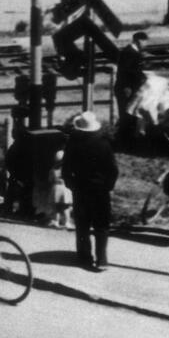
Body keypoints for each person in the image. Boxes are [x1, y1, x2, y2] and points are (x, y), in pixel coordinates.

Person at [62, 111, 119, 271]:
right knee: (102, 224)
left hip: (80, 188)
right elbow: (113, 169)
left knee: (82, 224)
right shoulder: (104, 144)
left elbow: (66, 168)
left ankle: (84, 257)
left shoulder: (73, 143)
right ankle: (102, 259)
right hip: (100, 190)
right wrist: (108, 186)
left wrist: (71, 184)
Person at [115, 31, 149, 145]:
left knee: (130, 114)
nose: (146, 44)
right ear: (138, 40)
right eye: (145, 42)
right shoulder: (129, 52)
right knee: (126, 115)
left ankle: (127, 140)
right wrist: (141, 77)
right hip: (126, 88)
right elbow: (126, 71)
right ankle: (124, 141)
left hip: (129, 88)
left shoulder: (132, 51)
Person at [48, 150, 73, 229]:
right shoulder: (68, 169)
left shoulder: (53, 170)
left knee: (56, 207)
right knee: (66, 208)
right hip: (65, 188)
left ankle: (56, 221)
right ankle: (67, 222)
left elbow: (50, 180)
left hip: (56, 188)